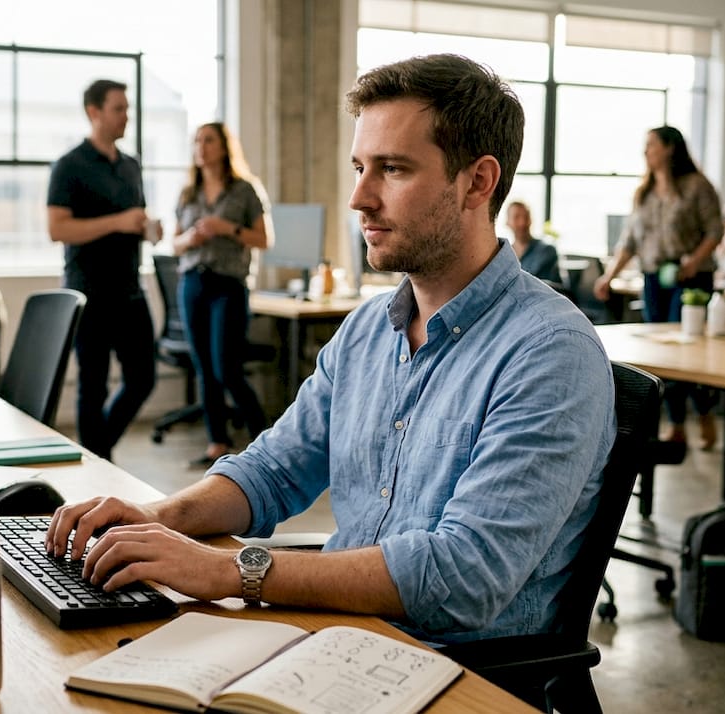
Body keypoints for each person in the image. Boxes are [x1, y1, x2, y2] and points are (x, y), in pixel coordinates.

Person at [47, 54, 615, 645]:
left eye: (392, 169)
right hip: (335, 634)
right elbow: (273, 470)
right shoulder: (369, 328)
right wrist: (161, 517)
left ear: (478, 181)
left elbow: (461, 578)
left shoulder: (552, 353)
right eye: (359, 167)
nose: (359, 198)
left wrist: (226, 570)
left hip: (455, 672)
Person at [47, 79, 158, 460]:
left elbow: (134, 218)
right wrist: (118, 222)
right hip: (89, 293)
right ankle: (98, 461)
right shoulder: (69, 166)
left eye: (127, 108)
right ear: (94, 112)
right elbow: (57, 228)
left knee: (143, 378)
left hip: (130, 290)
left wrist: (147, 227)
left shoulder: (131, 166)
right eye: (118, 109)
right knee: (92, 387)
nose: (126, 115)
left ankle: (95, 450)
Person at [592, 126, 723, 448]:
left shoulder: (696, 187)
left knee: (686, 351)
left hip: (689, 277)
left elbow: (714, 230)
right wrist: (609, 276)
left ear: (669, 148)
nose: (646, 150)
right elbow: (630, 241)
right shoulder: (644, 193)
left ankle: (701, 412)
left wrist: (693, 261)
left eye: (651, 144)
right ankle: (676, 423)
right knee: (662, 351)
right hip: (653, 279)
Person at [172, 122, 271, 468]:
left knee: (226, 368)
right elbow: (175, 242)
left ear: (224, 146)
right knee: (204, 368)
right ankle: (217, 443)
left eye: (208, 140)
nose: (201, 147)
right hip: (193, 284)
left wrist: (225, 228)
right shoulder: (188, 193)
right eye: (197, 141)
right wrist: (192, 239)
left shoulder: (244, 190)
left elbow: (264, 239)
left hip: (228, 286)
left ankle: (264, 440)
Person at [505, 201, 560, 283]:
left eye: (526, 217)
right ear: (507, 222)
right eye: (516, 217)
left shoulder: (546, 251)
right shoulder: (504, 254)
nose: (522, 223)